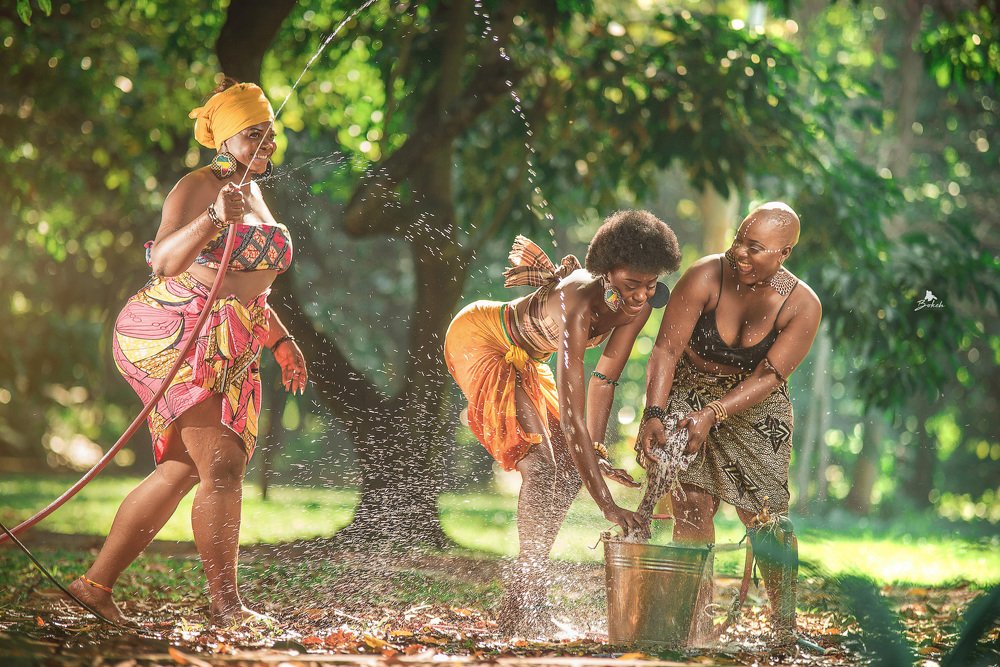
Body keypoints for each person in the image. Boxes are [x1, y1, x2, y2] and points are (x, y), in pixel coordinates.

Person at [66, 79, 308, 626]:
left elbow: (246, 287)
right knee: (221, 464)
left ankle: (93, 585)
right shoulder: (198, 186)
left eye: (270, 131)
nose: (266, 141)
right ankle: (227, 607)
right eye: (253, 133)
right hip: (174, 332)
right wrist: (213, 218)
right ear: (224, 139)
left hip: (233, 340)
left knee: (183, 468)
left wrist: (281, 340)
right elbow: (166, 262)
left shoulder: (254, 188)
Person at [443, 210, 681, 634]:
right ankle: (528, 596)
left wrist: (596, 456)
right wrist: (605, 503)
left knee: (570, 471)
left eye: (651, 285)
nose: (642, 296)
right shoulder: (578, 304)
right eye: (631, 285)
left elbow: (604, 380)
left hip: (527, 359)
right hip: (481, 339)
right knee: (540, 467)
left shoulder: (636, 307)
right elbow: (572, 418)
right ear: (607, 273)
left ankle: (522, 600)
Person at [639, 201, 821, 642]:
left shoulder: (801, 304)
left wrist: (715, 413)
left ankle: (784, 628)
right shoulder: (705, 275)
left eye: (756, 248)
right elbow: (665, 350)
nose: (740, 252)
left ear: (785, 254)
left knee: (764, 515)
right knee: (691, 504)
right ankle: (691, 625)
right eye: (740, 239)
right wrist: (654, 413)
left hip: (756, 401)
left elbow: (770, 374)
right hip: (690, 386)